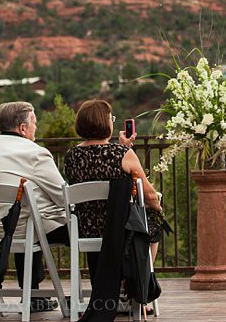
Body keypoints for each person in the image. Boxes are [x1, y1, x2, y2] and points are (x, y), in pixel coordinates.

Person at [0, 102, 69, 312]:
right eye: (34, 122)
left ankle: (28, 295)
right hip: (25, 229)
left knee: (26, 216)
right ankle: (103, 294)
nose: (36, 127)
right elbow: (63, 196)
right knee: (69, 226)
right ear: (22, 128)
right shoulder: (35, 153)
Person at [64, 99, 166, 274]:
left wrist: (123, 147)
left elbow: (96, 168)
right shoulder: (122, 154)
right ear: (105, 123)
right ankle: (140, 283)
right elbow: (150, 196)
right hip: (120, 228)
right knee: (154, 223)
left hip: (84, 229)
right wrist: (158, 209)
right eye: (111, 119)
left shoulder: (71, 156)